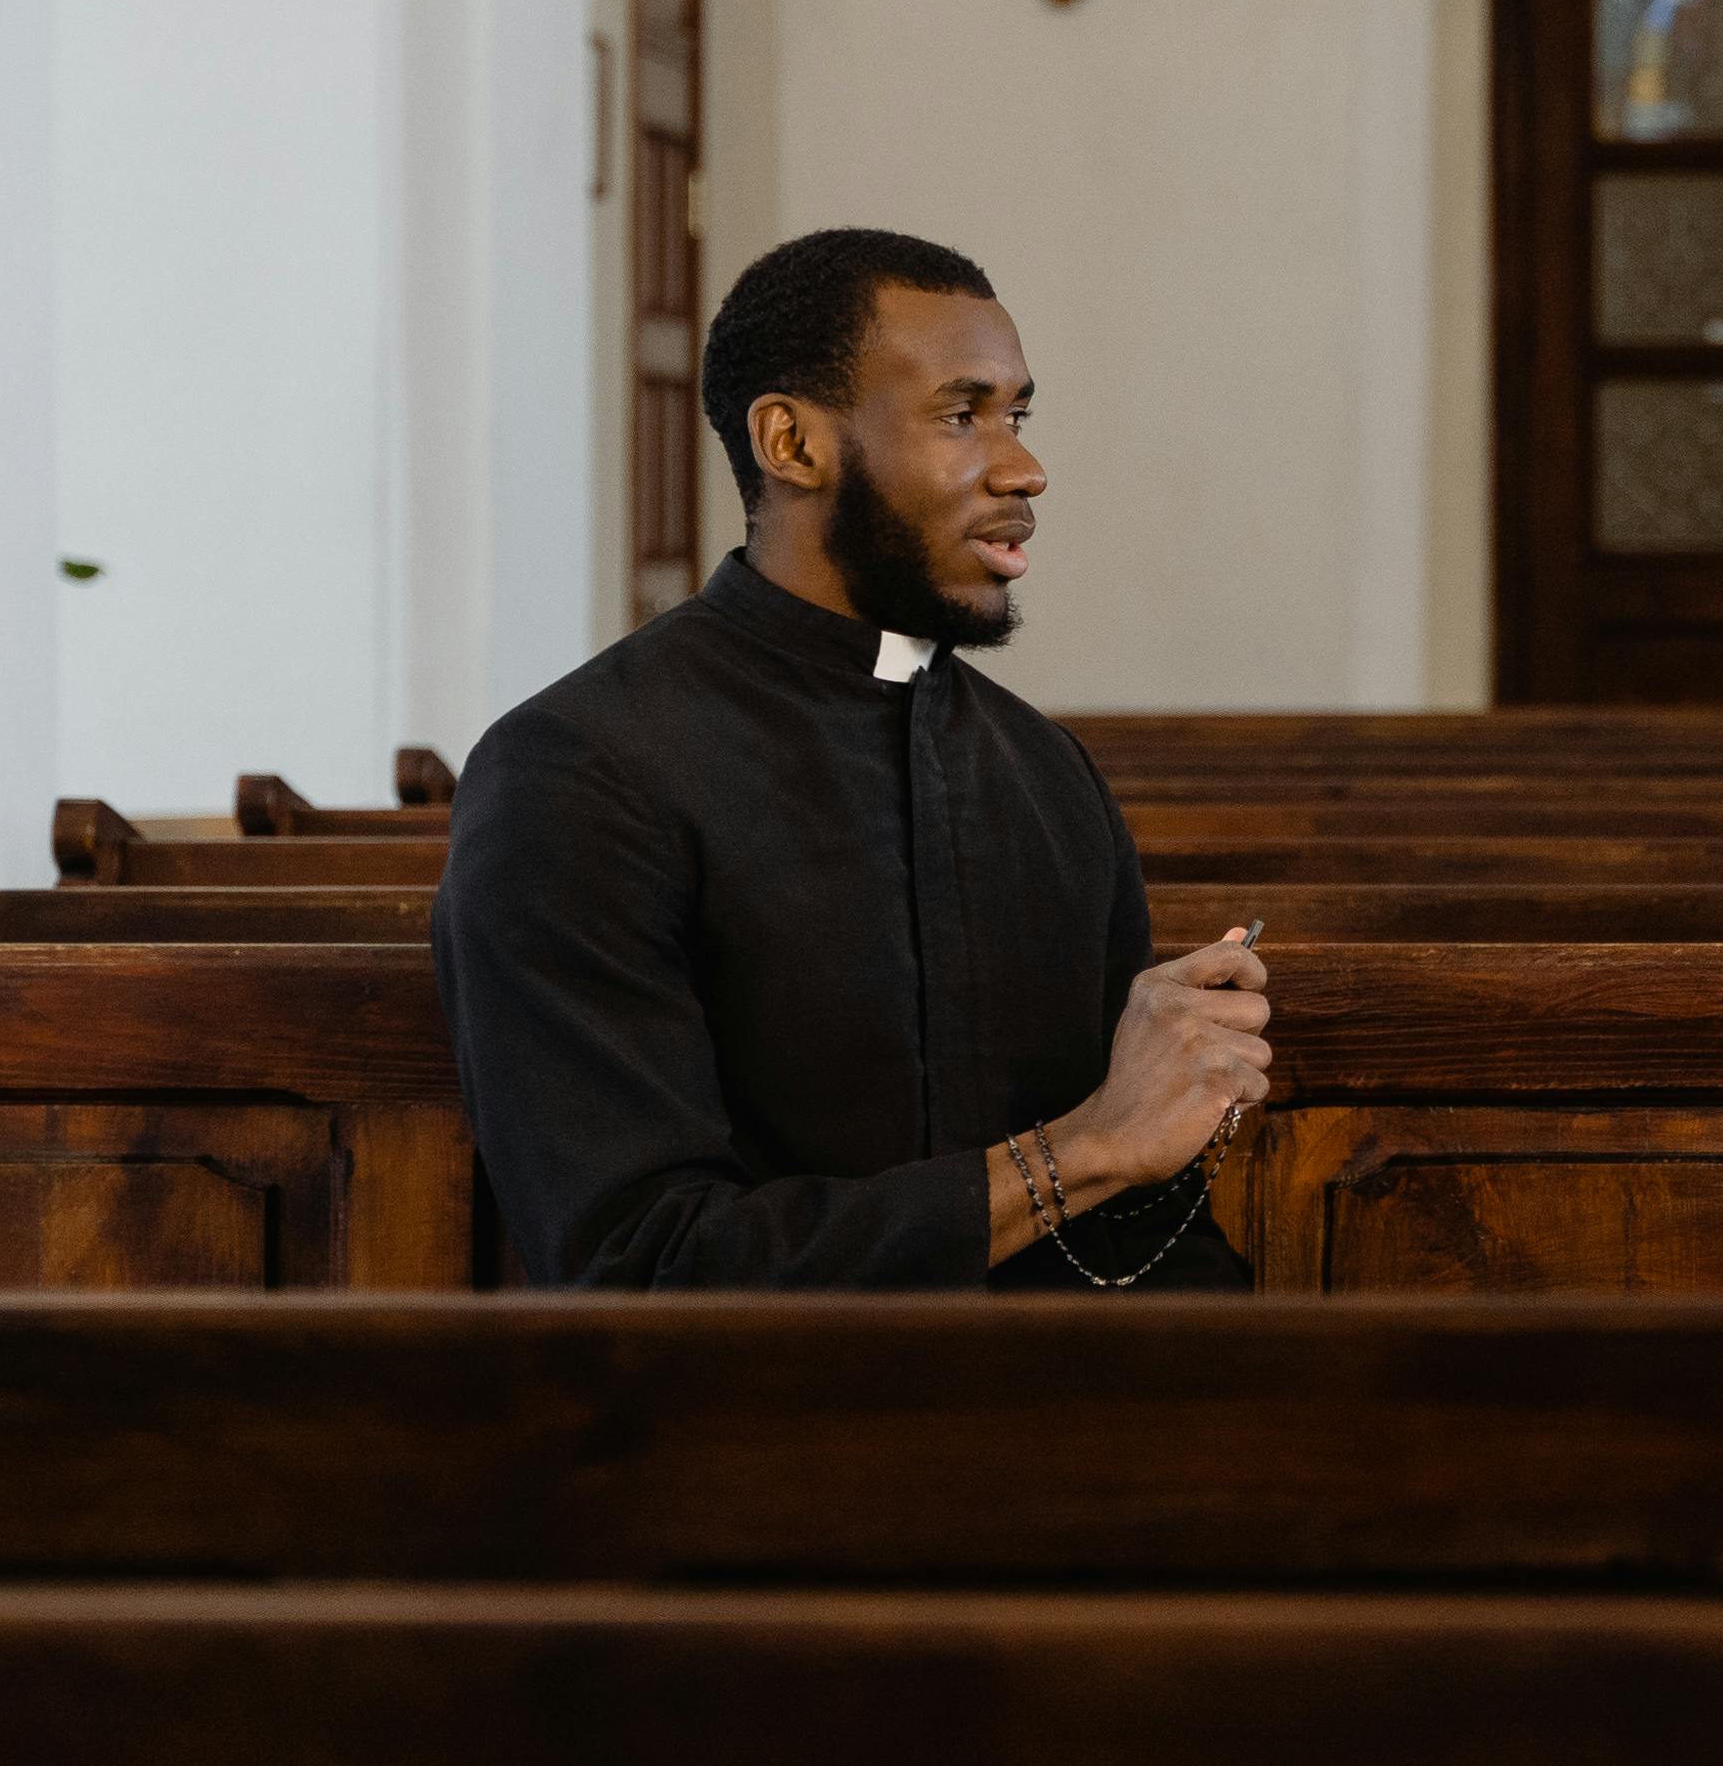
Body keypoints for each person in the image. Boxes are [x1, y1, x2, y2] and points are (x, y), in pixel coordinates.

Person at [433, 226, 1268, 1287]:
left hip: (1065, 1428)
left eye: (1015, 415)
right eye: (961, 415)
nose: (1024, 466)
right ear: (791, 444)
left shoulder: (1047, 775)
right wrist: (1082, 1152)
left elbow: (1140, 1239)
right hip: (737, 1435)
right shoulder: (576, 775)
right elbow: (640, 1267)